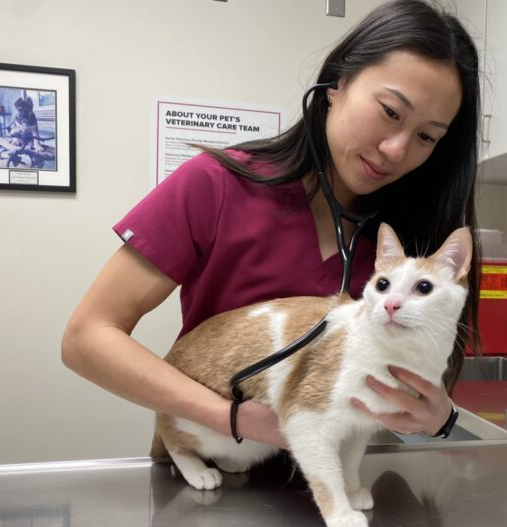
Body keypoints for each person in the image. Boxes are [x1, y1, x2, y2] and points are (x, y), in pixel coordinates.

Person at [62, 0, 481, 451]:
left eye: (426, 137)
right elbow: (86, 338)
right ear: (337, 83)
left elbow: (409, 387)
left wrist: (440, 416)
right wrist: (235, 418)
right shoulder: (216, 185)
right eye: (390, 112)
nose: (397, 150)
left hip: (337, 487)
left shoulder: (407, 249)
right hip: (212, 460)